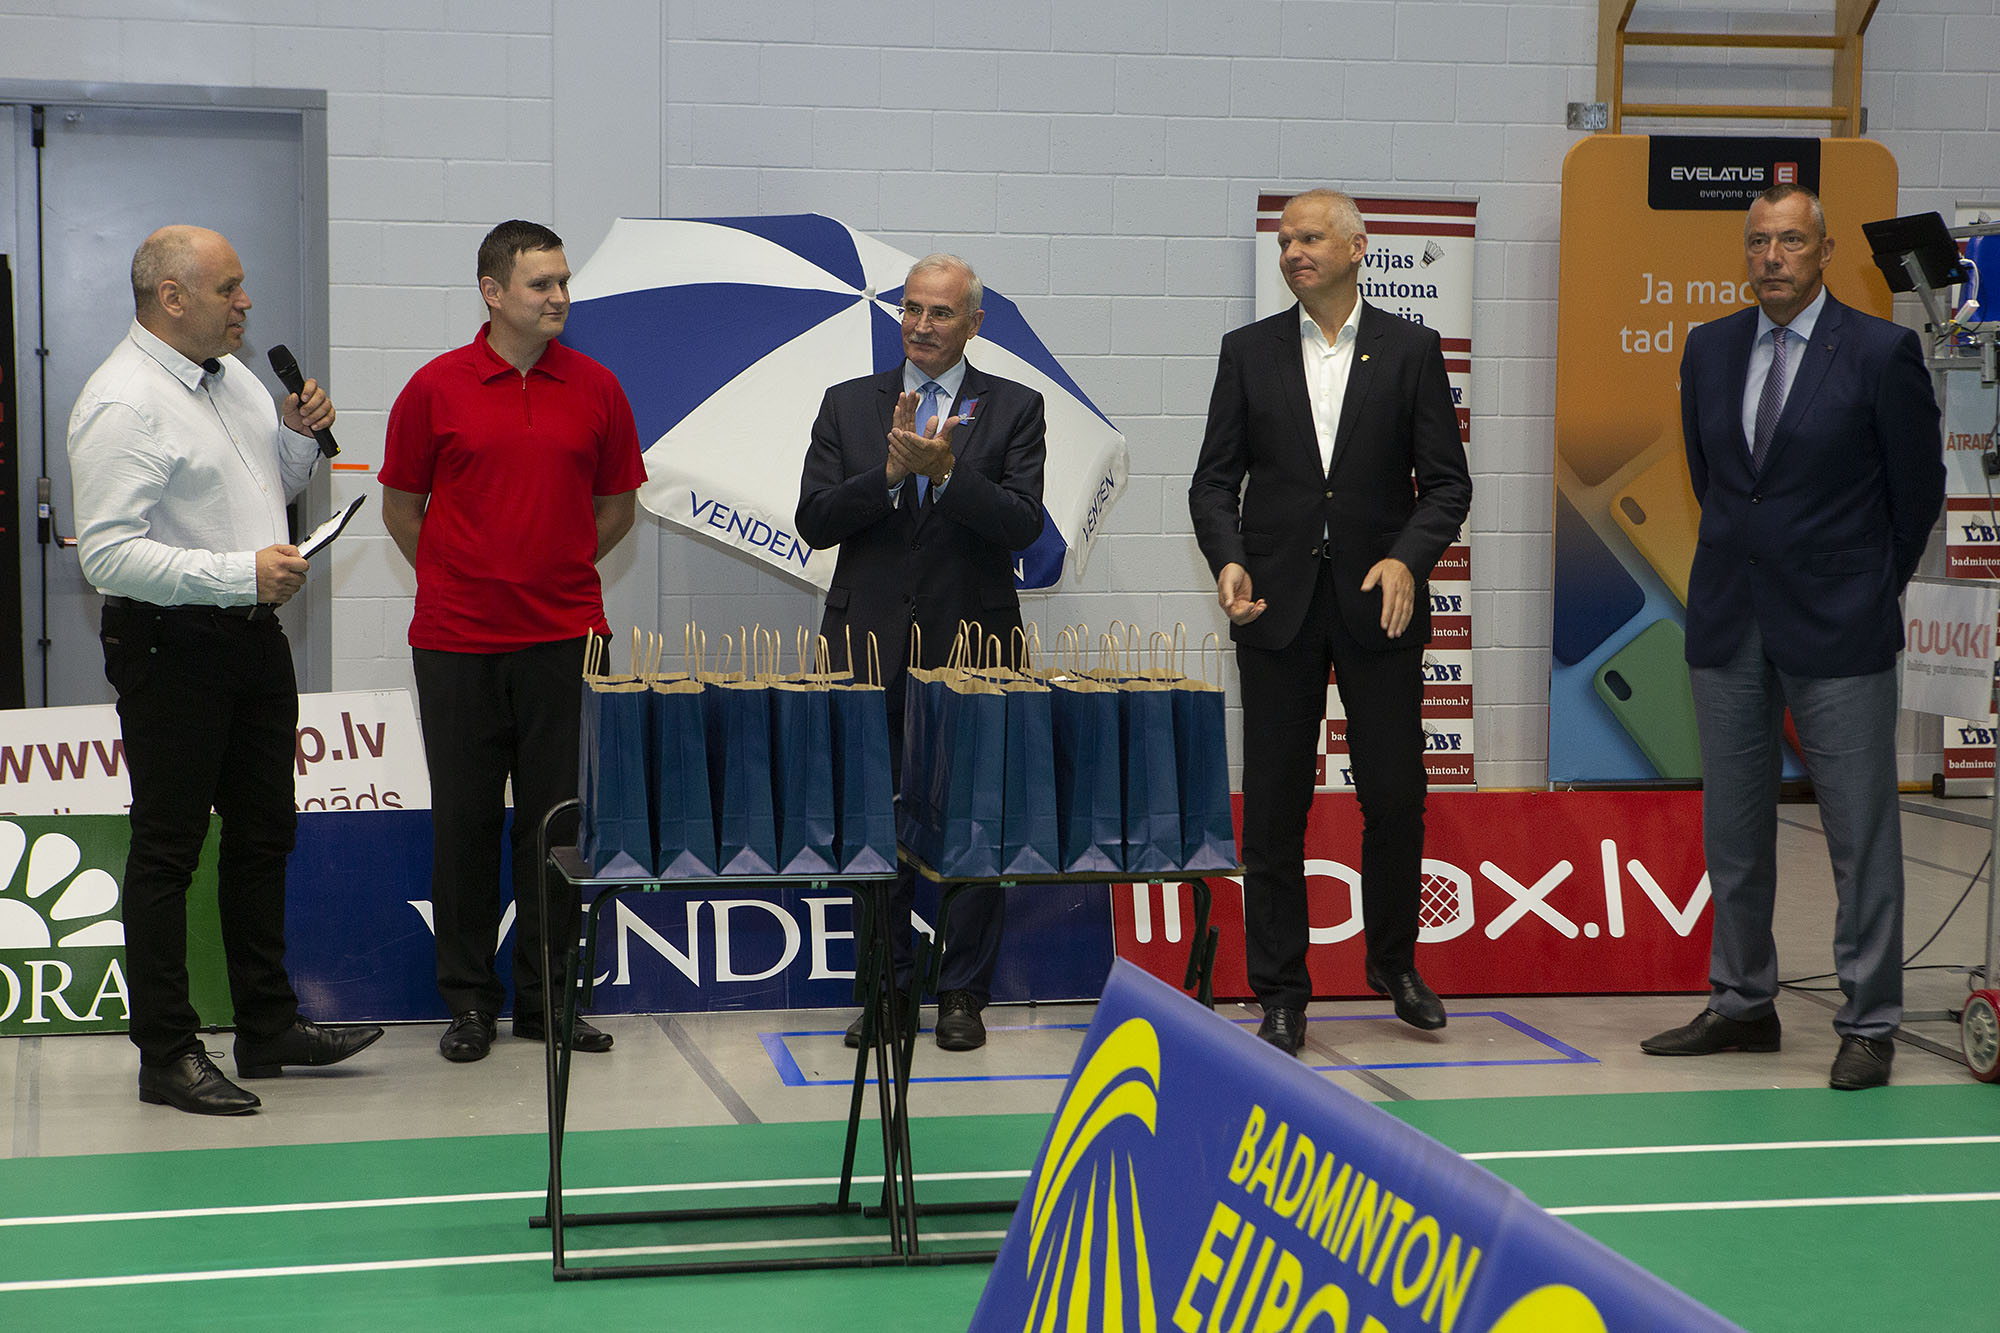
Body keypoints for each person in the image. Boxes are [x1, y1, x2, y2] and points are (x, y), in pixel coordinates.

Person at [68, 225, 382, 1115]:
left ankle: (266, 1024)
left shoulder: (233, 376)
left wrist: (297, 438)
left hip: (250, 636)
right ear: (172, 298)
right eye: (228, 288)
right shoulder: (122, 402)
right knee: (169, 849)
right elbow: (109, 556)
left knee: (263, 833)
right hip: (169, 645)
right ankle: (166, 1053)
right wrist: (238, 573)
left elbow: (260, 487)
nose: (246, 302)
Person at [1641, 184, 1944, 1091]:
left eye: (1791, 242)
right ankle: (1743, 1001)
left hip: (1841, 624)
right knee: (1734, 832)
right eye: (1759, 242)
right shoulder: (1710, 346)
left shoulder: (1881, 351)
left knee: (1860, 834)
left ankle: (1870, 1021)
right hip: (1730, 618)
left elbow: (1916, 493)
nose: (1772, 257)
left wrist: (1868, 583)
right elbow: (1714, 479)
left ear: (1824, 251)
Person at [1188, 189, 1471, 1057]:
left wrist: (1407, 558)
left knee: (1395, 793)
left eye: (1310, 238)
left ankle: (1394, 961)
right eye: (1285, 241)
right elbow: (1213, 481)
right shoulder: (1248, 350)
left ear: (1356, 247)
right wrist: (1227, 557)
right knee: (1276, 805)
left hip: (1378, 604)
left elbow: (1447, 485)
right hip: (1275, 607)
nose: (1294, 252)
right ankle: (1280, 991)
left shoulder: (1412, 349)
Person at [382, 220, 646, 1064]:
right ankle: (468, 1003)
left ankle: (549, 1002)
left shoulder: (599, 387)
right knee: (463, 823)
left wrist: (553, 566)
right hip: (457, 643)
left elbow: (618, 507)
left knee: (557, 827)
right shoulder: (434, 388)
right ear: (493, 292)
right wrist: (464, 577)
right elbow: (401, 507)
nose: (560, 296)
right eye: (542, 283)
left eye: (563, 281)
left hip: (568, 640)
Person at [796, 253, 1046, 1052]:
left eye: (940, 312)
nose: (922, 325)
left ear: (974, 323)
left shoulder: (1015, 407)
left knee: (975, 819)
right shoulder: (848, 404)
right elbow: (814, 519)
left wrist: (947, 476)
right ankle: (888, 990)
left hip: (975, 641)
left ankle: (962, 994)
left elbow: (1023, 525)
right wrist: (888, 474)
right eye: (911, 309)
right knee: (875, 824)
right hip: (866, 645)